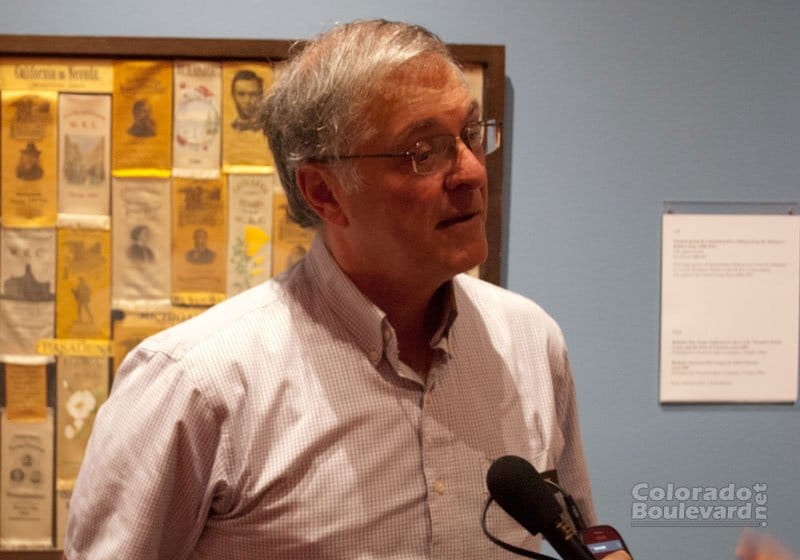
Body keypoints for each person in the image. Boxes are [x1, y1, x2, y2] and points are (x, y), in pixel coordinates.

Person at [65, 19, 619, 559]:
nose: (472, 172)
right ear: (325, 192)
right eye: (424, 152)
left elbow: (582, 539)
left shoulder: (530, 342)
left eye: (470, 135)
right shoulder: (196, 386)